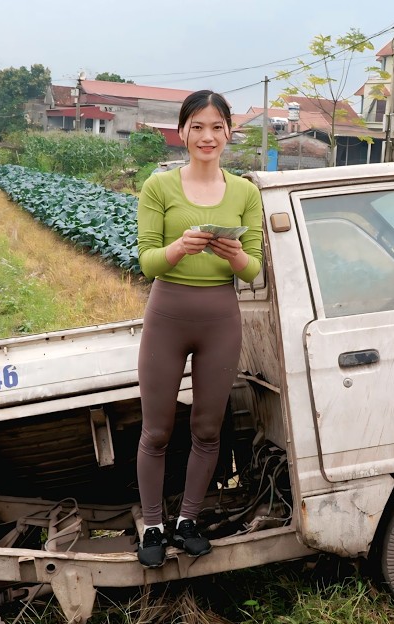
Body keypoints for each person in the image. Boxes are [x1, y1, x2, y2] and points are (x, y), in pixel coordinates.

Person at [133, 90, 264, 568]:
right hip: (167, 315)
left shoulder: (246, 193)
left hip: (220, 319)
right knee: (158, 430)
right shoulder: (159, 187)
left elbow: (256, 270)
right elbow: (147, 262)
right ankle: (152, 525)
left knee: (208, 428)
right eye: (198, 127)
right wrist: (179, 249)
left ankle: (187, 521)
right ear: (183, 131)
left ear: (229, 132)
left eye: (217, 127)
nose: (207, 136)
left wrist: (236, 256)